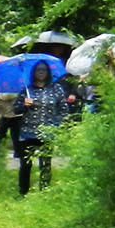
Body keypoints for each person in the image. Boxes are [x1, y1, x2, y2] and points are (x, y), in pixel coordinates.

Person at [16, 61, 69, 196]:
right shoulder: (27, 90)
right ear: (34, 73)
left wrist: (56, 125)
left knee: (45, 164)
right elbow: (16, 110)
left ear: (48, 73)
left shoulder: (56, 89)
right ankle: (23, 193)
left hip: (47, 132)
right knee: (25, 165)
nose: (41, 72)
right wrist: (24, 105)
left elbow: (63, 110)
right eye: (38, 70)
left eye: (44, 70)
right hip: (28, 133)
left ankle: (44, 192)